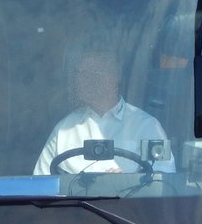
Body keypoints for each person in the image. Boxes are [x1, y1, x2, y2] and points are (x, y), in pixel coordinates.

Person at [34, 49, 175, 175]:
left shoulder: (147, 126)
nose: (85, 80)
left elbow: (163, 182)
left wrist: (128, 183)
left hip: (130, 204)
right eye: (81, 73)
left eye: (94, 73)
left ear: (115, 77)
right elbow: (41, 185)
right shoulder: (64, 130)